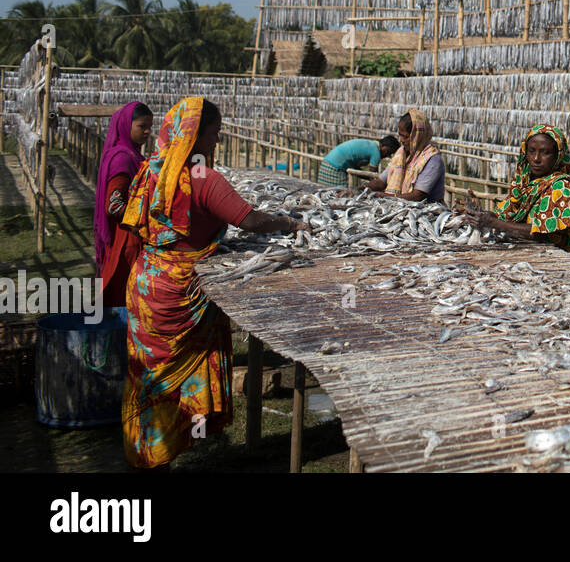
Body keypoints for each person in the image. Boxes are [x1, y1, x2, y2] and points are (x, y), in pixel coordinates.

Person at [120, 97, 309, 470]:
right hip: (181, 291)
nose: (217, 142)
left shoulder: (150, 170)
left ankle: (145, 450)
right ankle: (181, 447)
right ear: (194, 137)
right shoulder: (203, 178)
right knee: (182, 371)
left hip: (145, 285)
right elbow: (250, 220)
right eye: (214, 134)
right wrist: (289, 223)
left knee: (148, 373)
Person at [460, 123, 570, 261]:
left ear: (558, 155)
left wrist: (493, 223)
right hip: (536, 257)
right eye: (531, 151)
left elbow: (540, 234)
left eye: (545, 152)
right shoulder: (525, 184)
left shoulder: (561, 187)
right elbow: (508, 214)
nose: (536, 158)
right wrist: (485, 216)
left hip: (563, 261)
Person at [96, 102, 153, 308]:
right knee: (124, 295)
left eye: (150, 127)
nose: (147, 131)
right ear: (126, 126)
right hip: (127, 238)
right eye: (142, 126)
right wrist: (147, 217)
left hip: (132, 235)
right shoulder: (122, 158)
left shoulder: (133, 154)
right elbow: (113, 206)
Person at [365, 109, 444, 203]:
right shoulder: (401, 153)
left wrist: (384, 196)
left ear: (417, 136)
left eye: (405, 137)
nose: (401, 140)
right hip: (400, 205)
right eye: (400, 135)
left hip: (427, 210)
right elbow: (381, 182)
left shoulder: (432, 158)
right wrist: (363, 188)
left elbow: (418, 196)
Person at [320, 134, 398, 187]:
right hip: (335, 168)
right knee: (339, 194)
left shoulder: (371, 145)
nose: (387, 155)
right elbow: (372, 175)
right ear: (384, 145)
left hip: (327, 163)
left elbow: (358, 171)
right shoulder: (376, 151)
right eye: (388, 151)